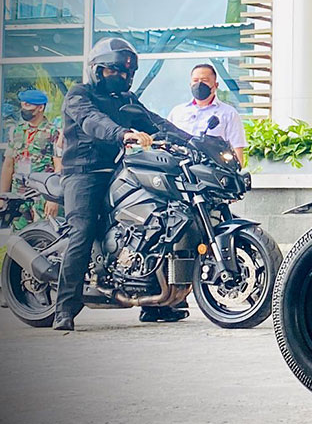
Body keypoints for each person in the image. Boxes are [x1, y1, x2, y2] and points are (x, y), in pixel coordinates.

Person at [55, 38, 191, 332]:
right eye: (115, 70)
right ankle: (64, 308)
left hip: (118, 170)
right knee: (83, 230)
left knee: (158, 220)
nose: (123, 76)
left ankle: (156, 304)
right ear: (98, 69)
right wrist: (122, 134)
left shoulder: (126, 101)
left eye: (128, 72)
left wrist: (192, 141)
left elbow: (155, 122)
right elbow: (93, 121)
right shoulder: (79, 95)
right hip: (83, 172)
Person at [1, 89, 62, 230]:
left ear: (40, 108)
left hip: (42, 195)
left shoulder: (53, 132)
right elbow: (8, 165)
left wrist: (54, 199)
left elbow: (59, 167)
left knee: (43, 236)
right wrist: (3, 196)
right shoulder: (17, 132)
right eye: (22, 105)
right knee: (18, 239)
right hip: (19, 195)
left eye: (28, 105)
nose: (24, 109)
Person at [168, 63, 247, 165]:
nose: (199, 84)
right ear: (190, 84)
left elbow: (237, 149)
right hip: (180, 169)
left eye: (205, 81)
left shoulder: (228, 113)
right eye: (195, 81)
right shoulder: (178, 112)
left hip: (211, 170)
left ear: (215, 85)